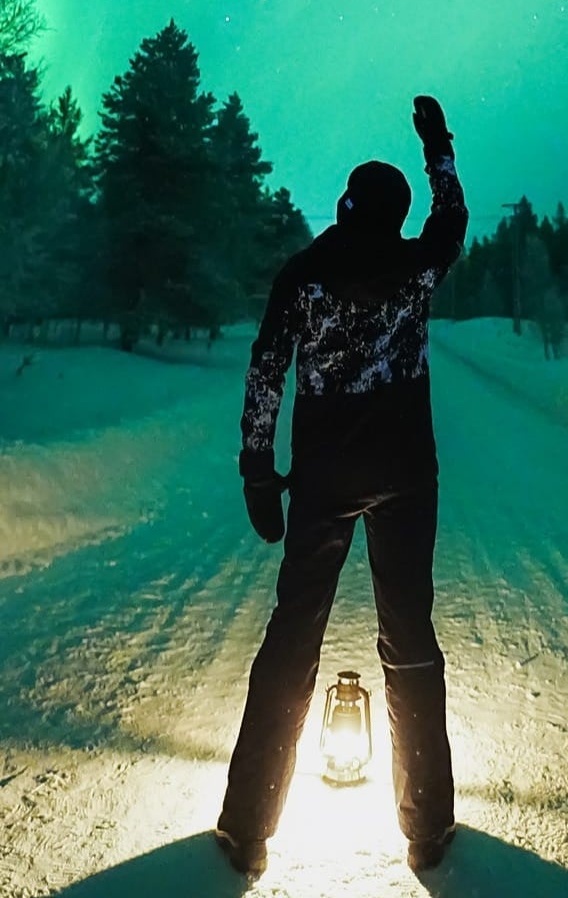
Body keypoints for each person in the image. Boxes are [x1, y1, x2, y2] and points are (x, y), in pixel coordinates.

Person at [215, 95, 468, 879]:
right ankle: (426, 828)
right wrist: (439, 148)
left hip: (323, 480)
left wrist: (259, 467)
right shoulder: (416, 262)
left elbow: (265, 372)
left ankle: (248, 824)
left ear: (343, 204)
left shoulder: (304, 273)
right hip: (405, 475)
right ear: (393, 215)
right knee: (409, 639)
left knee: (293, 637)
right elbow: (452, 218)